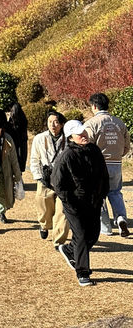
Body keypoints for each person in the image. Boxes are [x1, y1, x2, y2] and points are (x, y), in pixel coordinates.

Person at [52, 119, 110, 286]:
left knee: (93, 234)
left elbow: (103, 174)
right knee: (82, 235)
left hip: (94, 201)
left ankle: (69, 249)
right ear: (71, 137)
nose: (84, 135)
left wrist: (103, 193)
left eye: (84, 132)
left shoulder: (94, 150)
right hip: (74, 204)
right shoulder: (67, 156)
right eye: (79, 133)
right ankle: (82, 272)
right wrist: (69, 203)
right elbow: (58, 183)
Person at [83, 92, 130, 237]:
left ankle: (105, 227)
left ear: (95, 106)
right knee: (115, 192)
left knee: (99, 195)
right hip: (116, 163)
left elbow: (85, 144)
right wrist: (118, 154)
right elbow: (127, 146)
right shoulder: (119, 123)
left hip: (98, 164)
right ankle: (121, 218)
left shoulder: (91, 123)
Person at [29, 111, 69, 245]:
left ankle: (59, 240)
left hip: (64, 178)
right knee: (44, 205)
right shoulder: (39, 138)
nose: (53, 125)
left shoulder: (68, 139)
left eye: (56, 122)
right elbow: (35, 159)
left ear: (62, 124)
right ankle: (44, 225)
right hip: (46, 177)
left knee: (62, 210)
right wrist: (38, 177)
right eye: (50, 122)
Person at [7, 102, 28, 172]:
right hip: (22, 143)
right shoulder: (24, 120)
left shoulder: (11, 122)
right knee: (21, 161)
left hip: (14, 143)